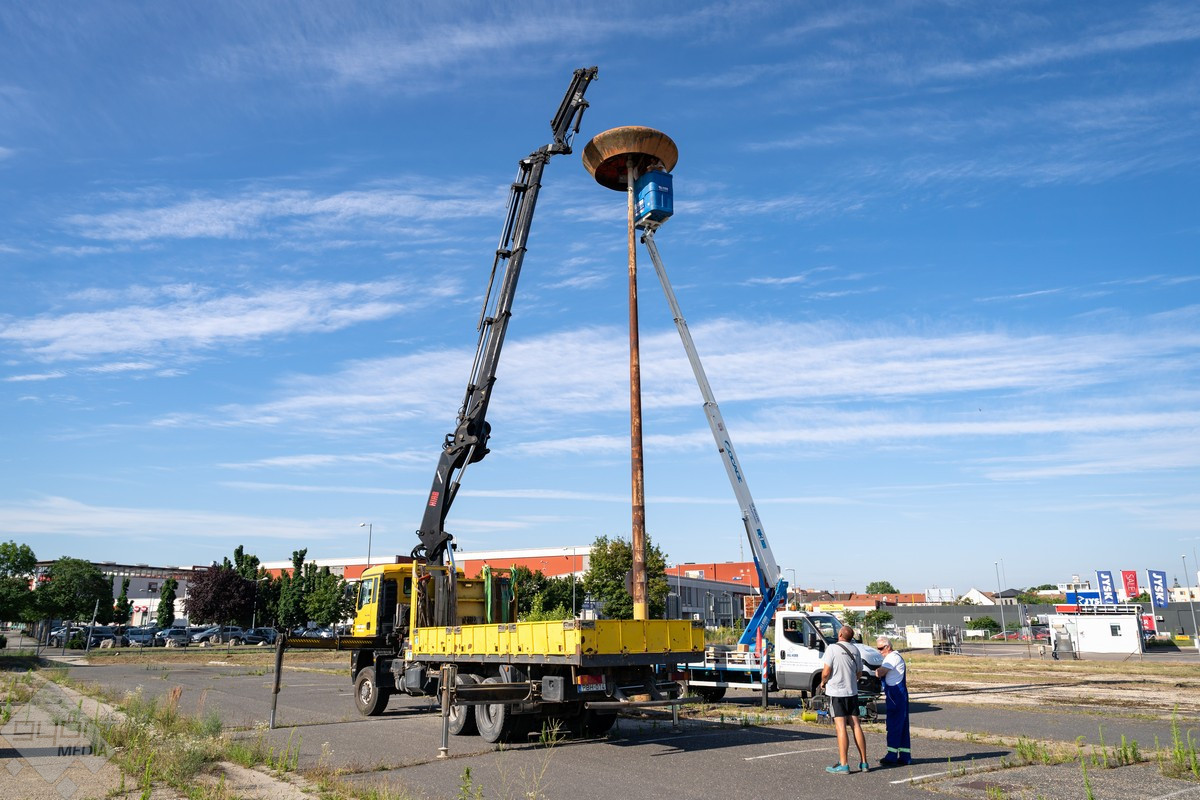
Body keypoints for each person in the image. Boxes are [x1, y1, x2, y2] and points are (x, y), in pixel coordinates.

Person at [819, 625, 869, 774]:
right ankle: (864, 762)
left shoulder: (832, 649)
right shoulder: (855, 650)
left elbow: (826, 672)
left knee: (841, 727)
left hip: (837, 693)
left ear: (840, 634)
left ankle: (844, 764)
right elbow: (859, 672)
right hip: (851, 692)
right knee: (856, 725)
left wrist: (823, 682)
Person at [875, 636, 911, 766]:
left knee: (893, 725)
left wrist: (876, 671)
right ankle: (905, 756)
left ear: (888, 647)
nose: (879, 651)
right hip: (898, 694)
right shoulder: (895, 657)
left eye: (880, 648)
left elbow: (881, 672)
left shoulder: (892, 657)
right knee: (902, 725)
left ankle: (891, 756)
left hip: (895, 695)